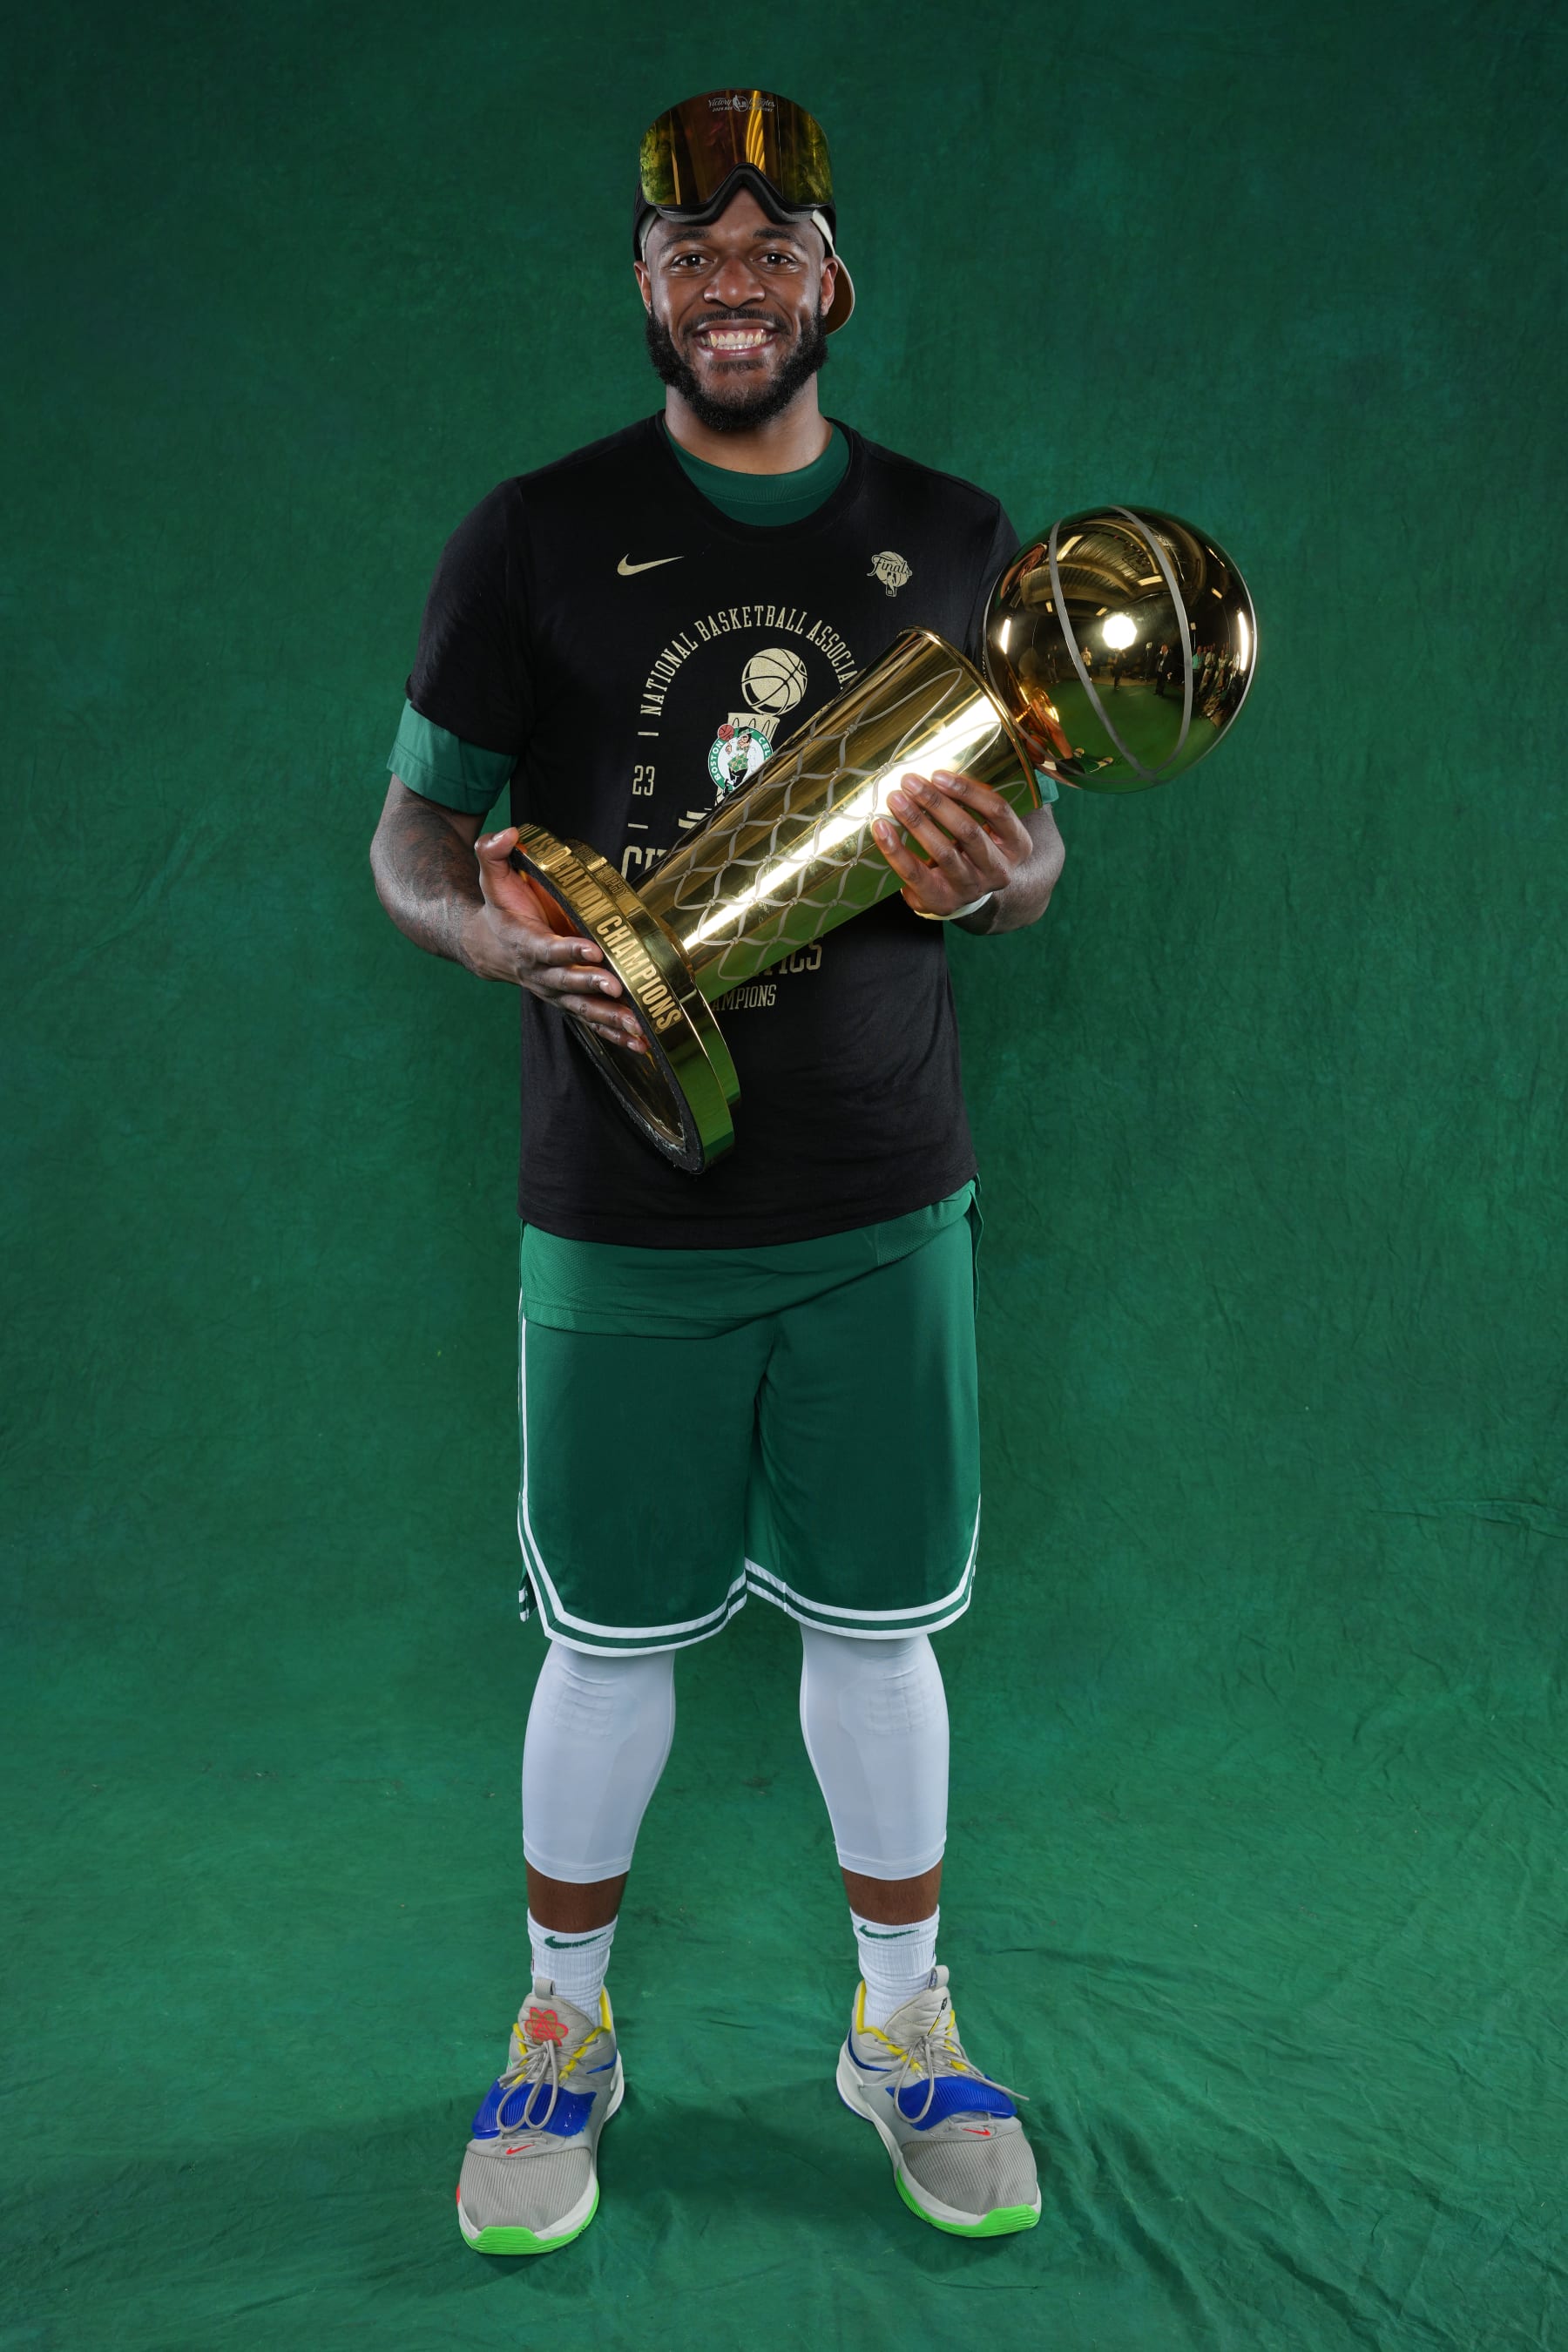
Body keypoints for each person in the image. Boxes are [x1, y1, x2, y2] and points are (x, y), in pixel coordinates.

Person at [369, 85, 1066, 2256]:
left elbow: (1034, 861)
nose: (732, 284)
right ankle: (564, 2028)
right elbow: (408, 833)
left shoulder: (959, 538)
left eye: (773, 252)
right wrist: (491, 932)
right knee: (609, 1645)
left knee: (878, 1641)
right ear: (646, 291)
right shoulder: (535, 531)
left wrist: (1010, 880)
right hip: (619, 1197)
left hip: (880, 1194)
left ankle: (900, 2028)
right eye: (692, 257)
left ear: (832, 283)